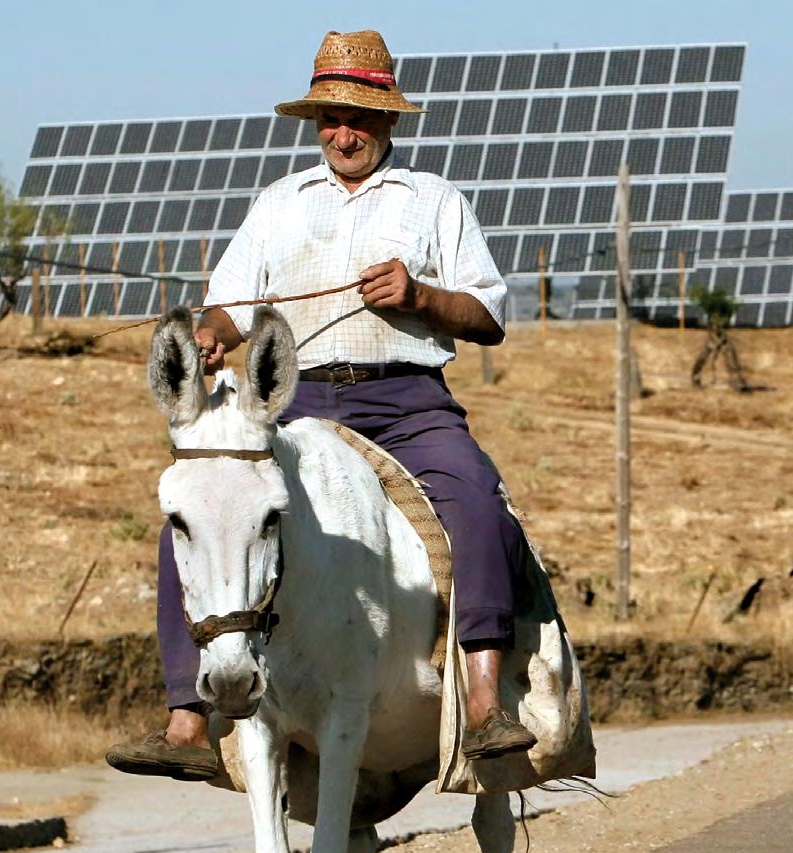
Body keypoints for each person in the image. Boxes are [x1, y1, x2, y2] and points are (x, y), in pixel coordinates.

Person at [106, 28, 535, 781]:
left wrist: (420, 296)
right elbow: (231, 305)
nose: (344, 134)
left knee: (476, 500)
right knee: (198, 507)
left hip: (407, 403)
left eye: (359, 119)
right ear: (316, 124)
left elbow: (488, 316)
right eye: (331, 119)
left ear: (388, 120)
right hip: (297, 406)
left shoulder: (434, 200)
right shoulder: (279, 204)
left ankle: (482, 702)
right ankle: (187, 718)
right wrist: (210, 335)